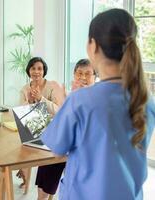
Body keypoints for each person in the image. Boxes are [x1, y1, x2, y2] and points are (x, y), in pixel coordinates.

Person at [41, 9, 155, 200]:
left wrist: (63, 99)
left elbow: (56, 147)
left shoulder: (80, 101)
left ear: (92, 45)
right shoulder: (146, 100)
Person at [19, 57, 66, 200]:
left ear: (44, 70)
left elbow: (59, 111)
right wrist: (30, 101)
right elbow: (23, 116)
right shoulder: (25, 89)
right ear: (29, 71)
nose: (36, 71)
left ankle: (34, 182)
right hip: (34, 130)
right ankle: (24, 174)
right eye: (33, 68)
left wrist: (41, 99)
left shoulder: (52, 86)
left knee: (47, 156)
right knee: (23, 147)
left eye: (39, 68)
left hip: (52, 131)